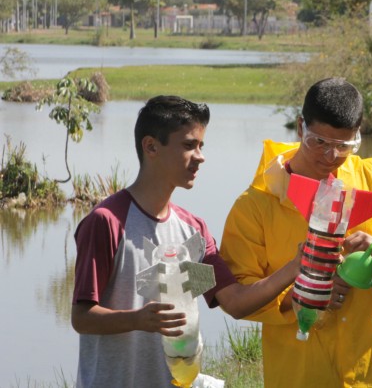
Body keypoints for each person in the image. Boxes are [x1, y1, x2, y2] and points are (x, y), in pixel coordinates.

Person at [219, 77, 372, 387]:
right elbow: (237, 293)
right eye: (319, 142)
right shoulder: (257, 204)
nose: (331, 157)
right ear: (300, 126)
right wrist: (300, 297)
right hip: (300, 372)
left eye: (344, 145)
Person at [71, 95, 300, 388]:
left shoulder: (193, 233)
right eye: (189, 145)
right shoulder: (107, 222)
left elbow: (236, 302)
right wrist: (137, 319)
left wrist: (294, 268)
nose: (200, 156)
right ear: (151, 146)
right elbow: (82, 317)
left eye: (201, 146)